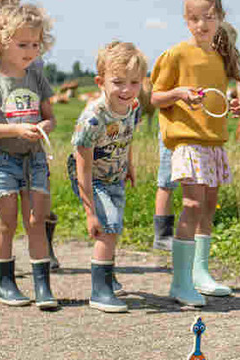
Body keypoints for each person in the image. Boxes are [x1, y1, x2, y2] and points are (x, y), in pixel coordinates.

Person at [150, 0, 240, 307]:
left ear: (220, 18)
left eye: (209, 17)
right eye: (194, 18)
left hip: (213, 141)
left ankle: (200, 273)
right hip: (187, 142)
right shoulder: (176, 54)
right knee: (191, 205)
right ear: (185, 20)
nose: (202, 24)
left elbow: (216, 99)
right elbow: (155, 97)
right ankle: (180, 283)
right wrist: (178, 94)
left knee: (208, 208)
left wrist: (232, 106)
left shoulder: (218, 56)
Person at [0, 0, 61, 270]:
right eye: (23, 44)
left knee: (36, 215)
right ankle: (4, 272)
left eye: (35, 44)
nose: (31, 50)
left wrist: (43, 126)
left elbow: (49, 114)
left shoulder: (36, 73)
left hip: (33, 155)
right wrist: (9, 124)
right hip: (1, 152)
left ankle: (42, 269)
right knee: (5, 217)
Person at [67, 41, 146, 313]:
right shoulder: (93, 118)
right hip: (91, 175)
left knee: (115, 225)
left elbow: (127, 138)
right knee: (106, 226)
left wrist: (129, 165)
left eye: (134, 82)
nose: (127, 90)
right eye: (118, 82)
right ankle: (99, 291)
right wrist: (90, 213)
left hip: (115, 172)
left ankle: (108, 277)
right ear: (100, 81)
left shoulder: (133, 106)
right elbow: (83, 167)